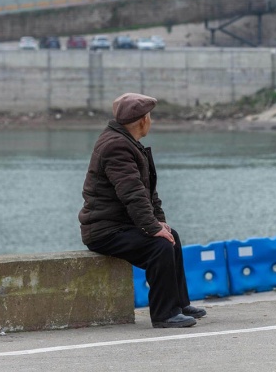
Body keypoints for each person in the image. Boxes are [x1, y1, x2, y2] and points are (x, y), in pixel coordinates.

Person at [78, 92, 206, 329]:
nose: (151, 121)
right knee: (160, 247)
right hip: (104, 230)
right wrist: (151, 227)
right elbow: (132, 193)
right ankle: (164, 314)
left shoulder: (126, 142)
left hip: (121, 224)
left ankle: (178, 304)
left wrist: (159, 223)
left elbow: (147, 192)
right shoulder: (117, 146)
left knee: (171, 236)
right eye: (150, 116)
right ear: (142, 120)